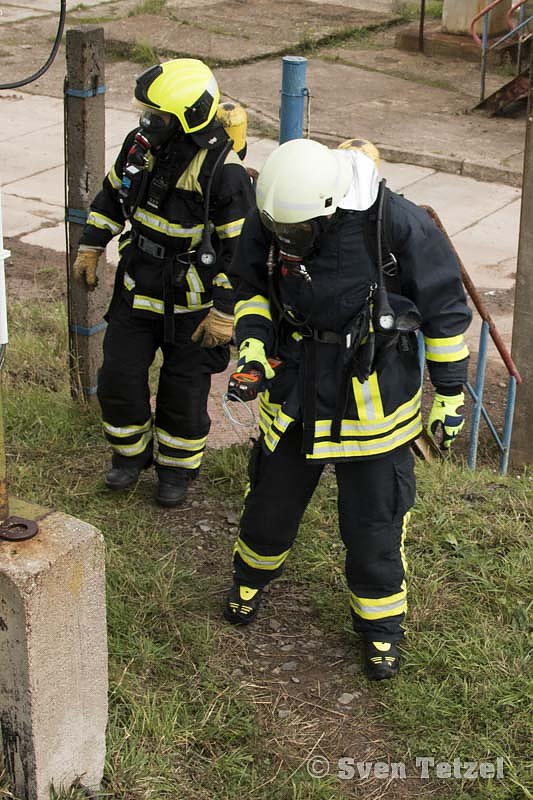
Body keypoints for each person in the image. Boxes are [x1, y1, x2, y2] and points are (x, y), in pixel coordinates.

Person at [223, 137, 471, 680]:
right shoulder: (278, 211)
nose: (285, 244)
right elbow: (252, 288)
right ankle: (249, 579)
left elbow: (446, 313)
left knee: (374, 523)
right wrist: (254, 345)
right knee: (270, 503)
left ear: (330, 210)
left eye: (296, 235)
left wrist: (450, 394)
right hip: (296, 392)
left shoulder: (395, 223)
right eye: (278, 233)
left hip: (373, 402)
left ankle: (381, 629)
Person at [73, 59, 255, 507]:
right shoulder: (140, 146)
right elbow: (112, 196)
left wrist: (225, 312)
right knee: (117, 375)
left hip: (194, 305)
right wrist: (92, 244)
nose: (147, 122)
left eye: (158, 116)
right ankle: (129, 456)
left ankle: (176, 469)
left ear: (189, 118)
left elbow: (241, 253)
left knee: (183, 391)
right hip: (138, 287)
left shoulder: (223, 172)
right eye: (147, 113)